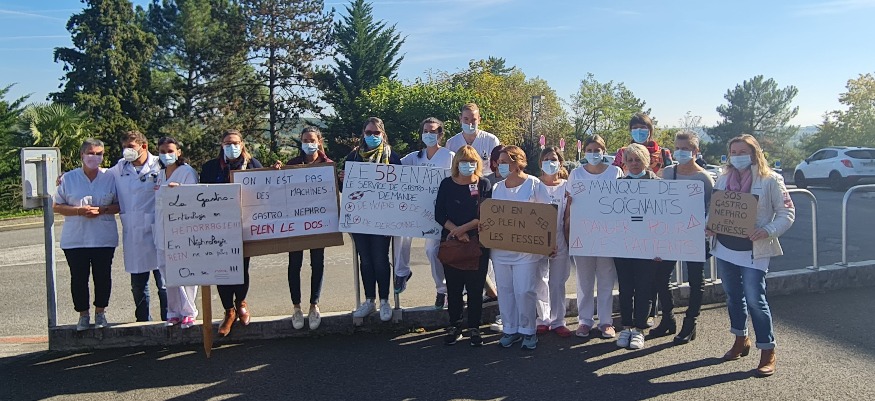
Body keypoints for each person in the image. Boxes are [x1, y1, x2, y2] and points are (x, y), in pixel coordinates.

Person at [710, 134, 794, 377]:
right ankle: (740, 339)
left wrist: (767, 230)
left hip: (754, 250)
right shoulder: (722, 178)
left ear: (755, 153)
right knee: (733, 297)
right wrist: (709, 225)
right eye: (733, 152)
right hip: (725, 248)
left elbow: (787, 213)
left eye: (742, 152)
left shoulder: (771, 180)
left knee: (756, 299)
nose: (737, 157)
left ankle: (767, 350)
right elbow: (715, 209)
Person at [649, 131, 715, 343]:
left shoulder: (704, 178)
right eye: (677, 148)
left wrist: (706, 227)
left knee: (696, 280)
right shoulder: (668, 173)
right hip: (670, 235)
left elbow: (712, 208)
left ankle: (690, 322)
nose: (680, 152)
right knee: (660, 276)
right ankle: (668, 318)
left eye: (685, 149)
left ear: (696, 151)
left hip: (695, 236)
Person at [200, 129, 263, 336]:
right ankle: (228, 310)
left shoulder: (253, 165)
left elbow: (266, 189)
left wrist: (276, 171)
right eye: (227, 143)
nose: (232, 146)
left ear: (242, 144)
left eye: (235, 143)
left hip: (245, 225)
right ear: (222, 145)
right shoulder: (210, 168)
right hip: (218, 227)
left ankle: (241, 303)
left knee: (242, 267)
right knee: (222, 269)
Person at [53, 139, 120, 331]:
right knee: (79, 278)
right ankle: (83, 315)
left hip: (103, 238)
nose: (95, 157)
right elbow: (57, 206)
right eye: (91, 153)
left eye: (99, 154)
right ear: (82, 155)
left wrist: (102, 210)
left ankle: (100, 313)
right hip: (76, 239)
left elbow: (119, 204)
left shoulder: (110, 177)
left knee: (103, 277)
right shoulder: (69, 178)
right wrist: (79, 211)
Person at [489, 145, 550, 350]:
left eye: (504, 162)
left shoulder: (534, 184)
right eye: (499, 162)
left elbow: (547, 216)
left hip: (526, 252)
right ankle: (510, 329)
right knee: (505, 291)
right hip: (500, 251)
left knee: (524, 291)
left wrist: (548, 243)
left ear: (517, 163)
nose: (500, 165)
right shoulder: (497, 188)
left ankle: (528, 330)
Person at [393, 118, 455, 310]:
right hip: (415, 210)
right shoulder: (414, 157)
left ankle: (442, 290)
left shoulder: (449, 156)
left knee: (432, 250)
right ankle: (402, 272)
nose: (429, 134)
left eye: (433, 131)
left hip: (438, 213)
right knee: (400, 234)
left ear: (440, 134)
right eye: (426, 131)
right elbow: (392, 169)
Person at [275, 126, 333, 331]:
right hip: (295, 225)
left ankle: (314, 305)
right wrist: (276, 172)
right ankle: (296, 307)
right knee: (294, 264)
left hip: (319, 224)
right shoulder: (292, 164)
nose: (308, 144)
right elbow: (278, 189)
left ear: (319, 141)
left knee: (318, 263)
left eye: (312, 140)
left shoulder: (328, 165)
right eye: (305, 140)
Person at [565, 135, 622, 339]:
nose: (593, 153)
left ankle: (606, 321)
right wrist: (568, 227)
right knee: (584, 280)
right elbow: (569, 203)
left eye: (597, 150)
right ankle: (585, 321)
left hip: (608, 233)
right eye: (589, 150)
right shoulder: (576, 174)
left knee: (606, 278)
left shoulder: (615, 172)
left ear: (604, 151)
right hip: (583, 234)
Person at [345, 117, 402, 322]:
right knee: (366, 260)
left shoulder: (392, 157)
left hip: (382, 219)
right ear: (363, 133)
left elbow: (401, 188)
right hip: (359, 219)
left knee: (380, 259)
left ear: (383, 134)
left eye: (376, 133)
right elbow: (346, 189)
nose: (372, 136)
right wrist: (343, 180)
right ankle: (369, 300)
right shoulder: (353, 157)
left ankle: (385, 300)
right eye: (368, 133)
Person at [434, 145, 492, 346]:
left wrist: (465, 230)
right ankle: (454, 325)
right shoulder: (446, 184)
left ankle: (474, 327)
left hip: (477, 243)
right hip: (452, 243)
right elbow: (439, 214)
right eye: (464, 162)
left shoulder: (483, 184)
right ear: (456, 163)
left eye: (472, 162)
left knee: (475, 289)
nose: (468, 165)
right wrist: (456, 231)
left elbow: (486, 213)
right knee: (454, 287)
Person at [108, 130, 167, 322]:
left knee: (164, 284)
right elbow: (98, 175)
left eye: (131, 147)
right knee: (138, 285)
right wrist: (65, 177)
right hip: (134, 233)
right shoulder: (119, 168)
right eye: (124, 147)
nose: (127, 151)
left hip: (159, 230)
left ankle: (169, 320)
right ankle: (143, 322)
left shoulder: (160, 164)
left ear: (144, 146)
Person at [613, 143, 664, 350]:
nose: (634, 164)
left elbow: (665, 219)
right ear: (625, 162)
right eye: (630, 160)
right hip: (623, 246)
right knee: (625, 288)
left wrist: (660, 247)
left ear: (647, 161)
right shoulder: (617, 186)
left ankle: (640, 329)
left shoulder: (659, 185)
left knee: (644, 288)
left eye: (638, 159)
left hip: (648, 246)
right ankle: (626, 326)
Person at [153, 137, 199, 329]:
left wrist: (180, 191)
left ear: (179, 152)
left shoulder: (187, 172)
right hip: (161, 230)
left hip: (182, 230)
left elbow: (195, 198)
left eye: (170, 151)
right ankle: (173, 312)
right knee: (167, 273)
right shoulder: (159, 174)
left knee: (185, 271)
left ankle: (189, 312)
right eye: (162, 151)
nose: (166, 155)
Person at [534, 146, 572, 337]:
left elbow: (568, 217)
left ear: (560, 163)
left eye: (554, 159)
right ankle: (542, 319)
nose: (550, 162)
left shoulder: (567, 186)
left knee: (557, 282)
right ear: (540, 163)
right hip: (537, 239)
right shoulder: (534, 185)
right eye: (546, 159)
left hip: (560, 238)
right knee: (539, 280)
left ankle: (558, 321)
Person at [445, 103, 501, 175]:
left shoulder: (491, 140)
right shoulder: (451, 143)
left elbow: (498, 167)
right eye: (466, 119)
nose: (469, 123)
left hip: (486, 180)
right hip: (460, 180)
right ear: (460, 119)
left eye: (473, 120)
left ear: (479, 120)